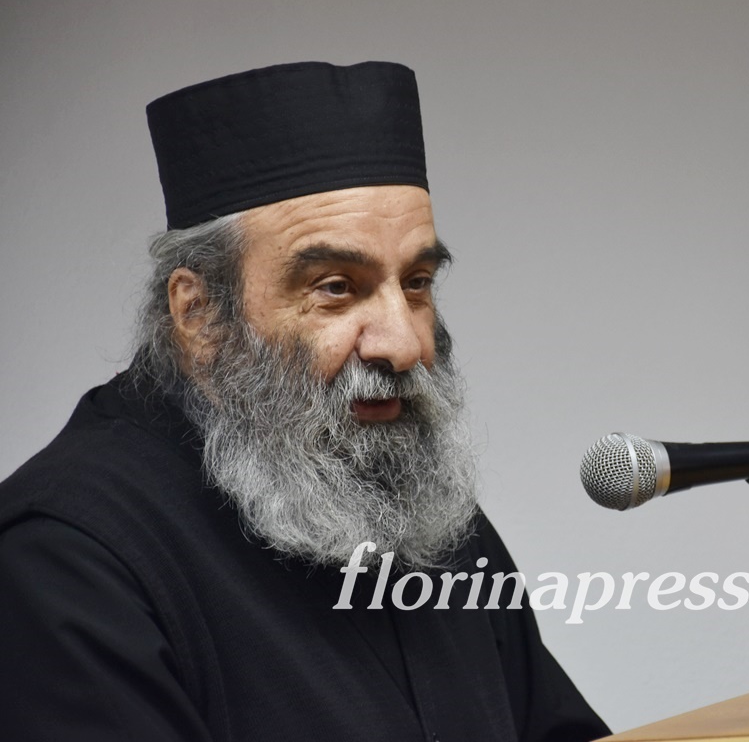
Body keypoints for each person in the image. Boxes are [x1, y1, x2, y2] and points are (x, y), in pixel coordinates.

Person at [0, 61, 610, 742]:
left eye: (416, 282)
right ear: (200, 313)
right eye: (335, 288)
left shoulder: (414, 498)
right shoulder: (63, 559)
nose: (403, 344)